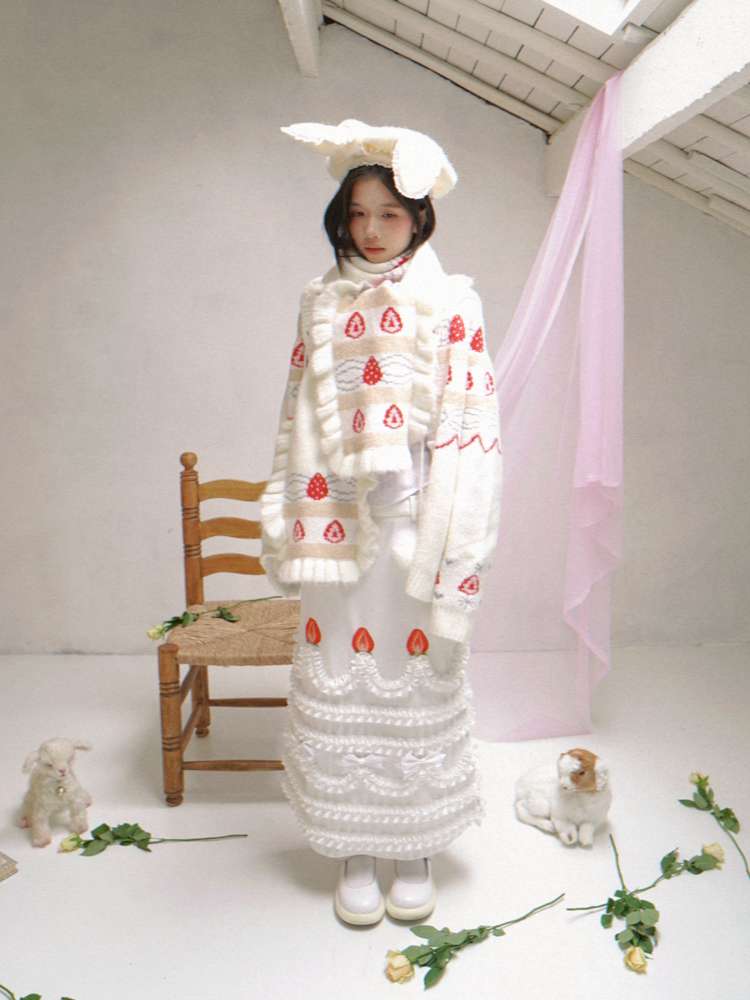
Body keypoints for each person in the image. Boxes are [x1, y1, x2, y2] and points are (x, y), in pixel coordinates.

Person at [260, 120, 502, 926]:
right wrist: (297, 519)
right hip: (338, 533)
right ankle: (353, 846)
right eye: (357, 213)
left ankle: (416, 843)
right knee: (341, 671)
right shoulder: (320, 301)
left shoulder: (452, 302)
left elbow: (474, 425)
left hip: (415, 527)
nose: (370, 229)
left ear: (421, 216)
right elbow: (296, 413)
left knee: (417, 682)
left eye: (389, 214)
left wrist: (455, 542)